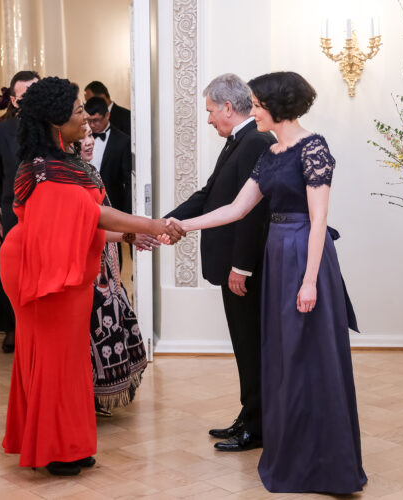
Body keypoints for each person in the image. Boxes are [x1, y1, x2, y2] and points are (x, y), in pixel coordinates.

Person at [172, 72, 366, 494]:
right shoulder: (272, 151)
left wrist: (311, 281)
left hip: (303, 257)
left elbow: (319, 221)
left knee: (309, 357)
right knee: (282, 358)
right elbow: (235, 209)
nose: (252, 109)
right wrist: (177, 226)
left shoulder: (314, 147)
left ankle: (327, 464)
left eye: (257, 104)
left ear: (276, 106)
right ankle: (292, 452)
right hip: (277, 258)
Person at [0, 76, 182, 476]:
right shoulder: (45, 168)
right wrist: (151, 224)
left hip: (60, 265)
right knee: (54, 359)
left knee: (72, 359)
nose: (86, 116)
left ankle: (72, 443)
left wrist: (131, 234)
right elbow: (92, 215)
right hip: (40, 269)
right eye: (78, 110)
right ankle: (55, 449)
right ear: (54, 121)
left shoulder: (61, 161)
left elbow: (78, 224)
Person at [165, 74, 274, 451]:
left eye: (211, 110)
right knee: (243, 345)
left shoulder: (258, 141)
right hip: (231, 264)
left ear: (228, 107)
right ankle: (249, 415)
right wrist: (166, 223)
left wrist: (241, 265)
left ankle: (258, 428)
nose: (209, 118)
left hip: (242, 268)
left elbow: (254, 212)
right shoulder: (239, 141)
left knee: (251, 346)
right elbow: (209, 194)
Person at [75, 126, 155, 416]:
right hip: (85, 267)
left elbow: (104, 219)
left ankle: (98, 396)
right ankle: (87, 397)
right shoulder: (72, 178)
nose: (88, 142)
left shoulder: (90, 173)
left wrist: (130, 234)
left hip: (105, 266)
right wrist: (131, 234)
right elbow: (88, 226)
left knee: (111, 322)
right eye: (81, 137)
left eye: (89, 136)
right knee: (92, 330)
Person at [0, 70, 40, 352]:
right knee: (12, 271)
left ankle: (40, 326)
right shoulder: (0, 132)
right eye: (27, 93)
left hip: (46, 210)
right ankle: (11, 327)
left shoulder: (54, 127)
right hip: (13, 211)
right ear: (16, 101)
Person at [85, 96, 132, 215]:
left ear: (107, 115)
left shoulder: (123, 141)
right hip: (86, 202)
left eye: (96, 120)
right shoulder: (79, 139)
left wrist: (127, 214)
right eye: (89, 121)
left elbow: (128, 183)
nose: (92, 125)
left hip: (113, 206)